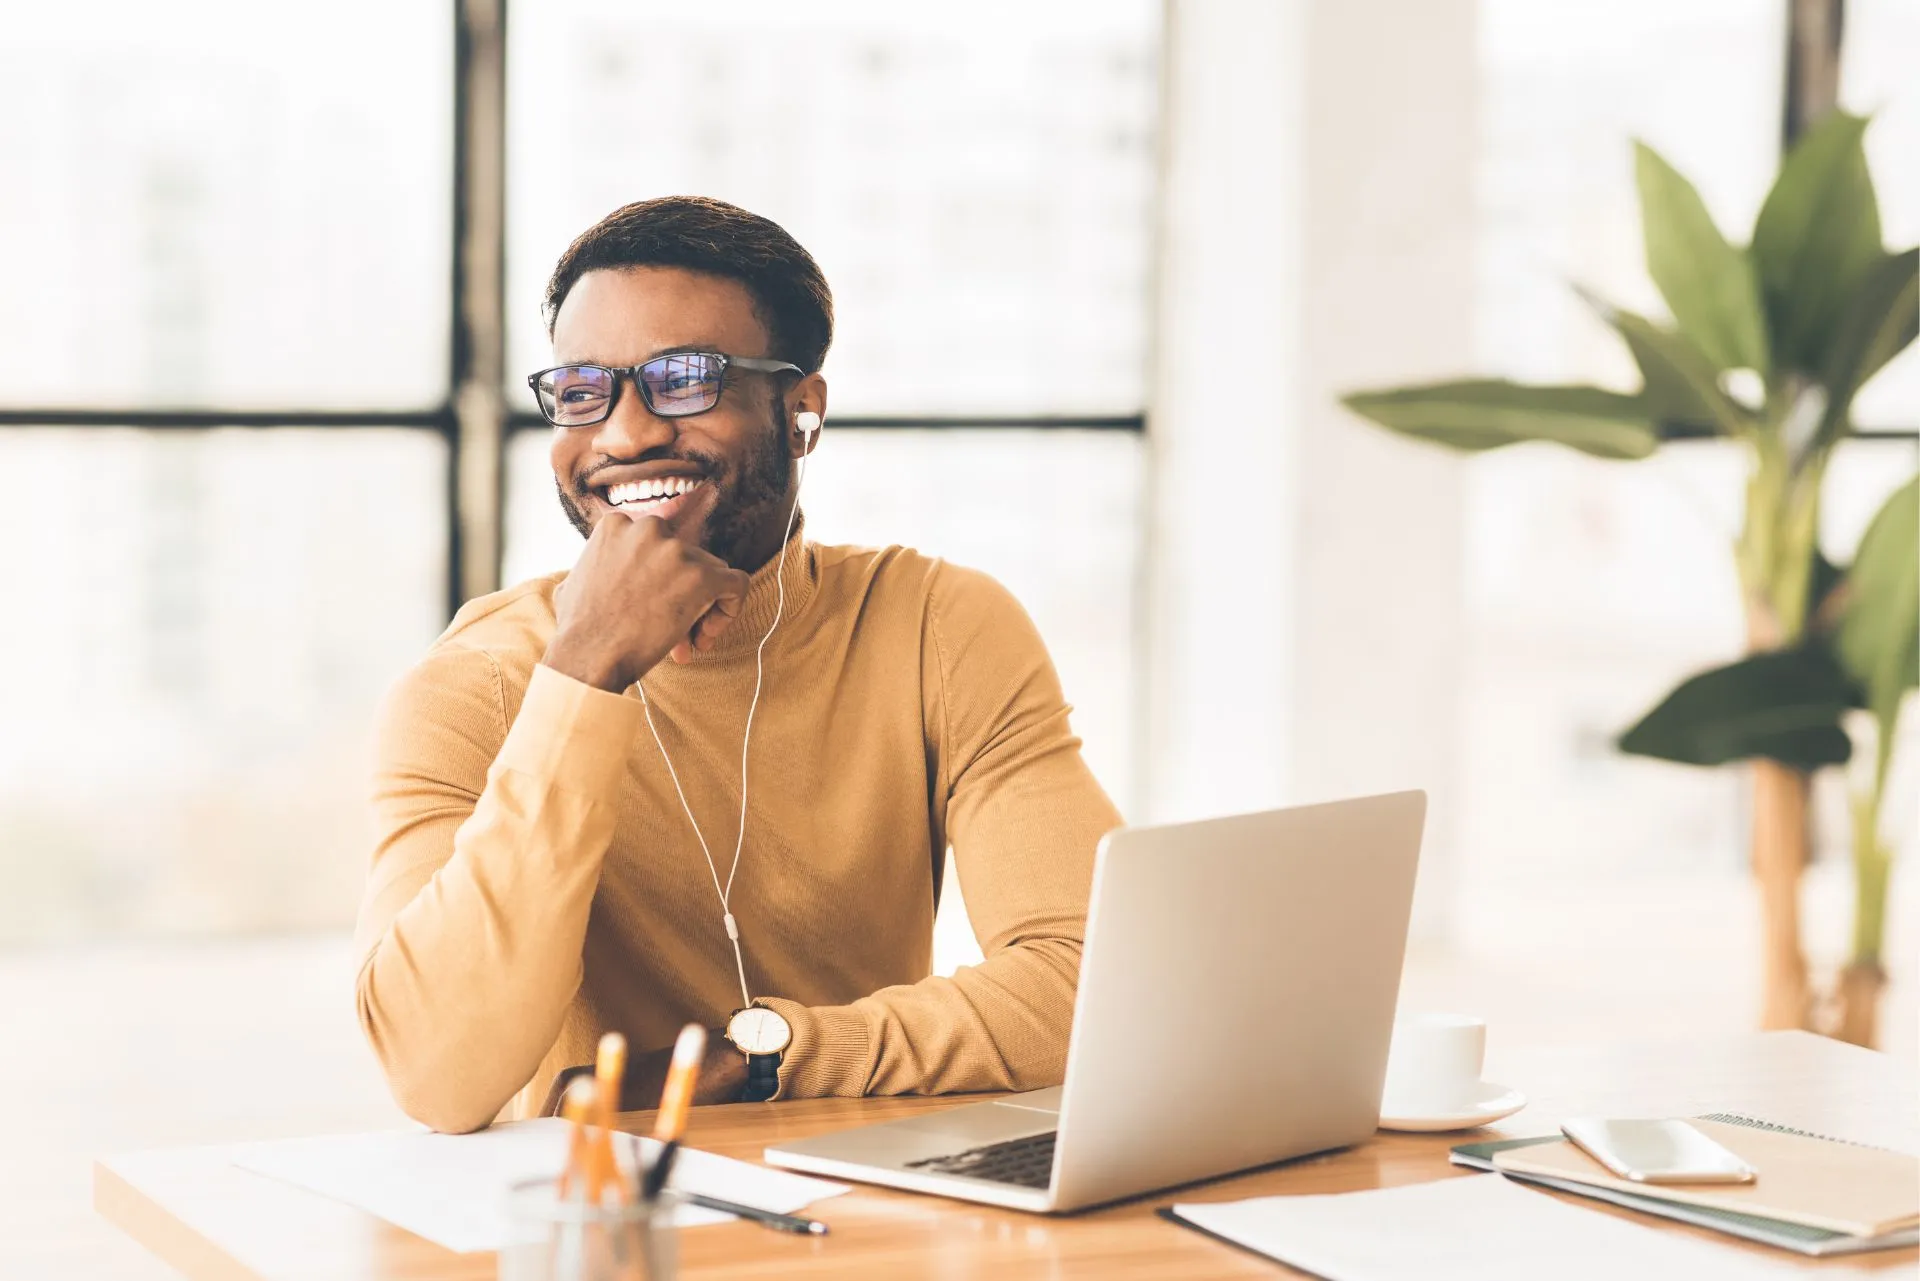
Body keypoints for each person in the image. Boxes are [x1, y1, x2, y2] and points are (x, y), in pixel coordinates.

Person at [354, 196, 1123, 1132]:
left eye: (685, 379)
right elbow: (438, 1075)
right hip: (601, 1222)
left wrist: (759, 1059)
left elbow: (1098, 983)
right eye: (583, 388)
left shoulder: (934, 626)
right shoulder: (473, 687)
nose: (626, 434)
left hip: (872, 1208)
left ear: (800, 409)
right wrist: (584, 671)